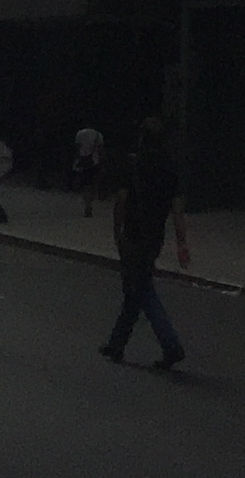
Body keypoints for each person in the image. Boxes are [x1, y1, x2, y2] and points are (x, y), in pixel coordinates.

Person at [101, 115, 189, 371]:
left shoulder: (133, 164)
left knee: (142, 289)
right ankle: (116, 343)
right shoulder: (170, 170)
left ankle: (171, 345)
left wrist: (117, 231)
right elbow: (178, 211)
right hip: (154, 236)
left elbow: (121, 201)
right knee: (135, 288)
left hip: (133, 234)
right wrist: (182, 242)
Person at [72, 119, 105, 217]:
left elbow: (77, 148)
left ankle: (87, 204)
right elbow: (101, 150)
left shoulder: (80, 133)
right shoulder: (98, 135)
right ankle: (90, 202)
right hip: (94, 161)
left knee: (85, 185)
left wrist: (76, 161)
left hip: (82, 161)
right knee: (93, 184)